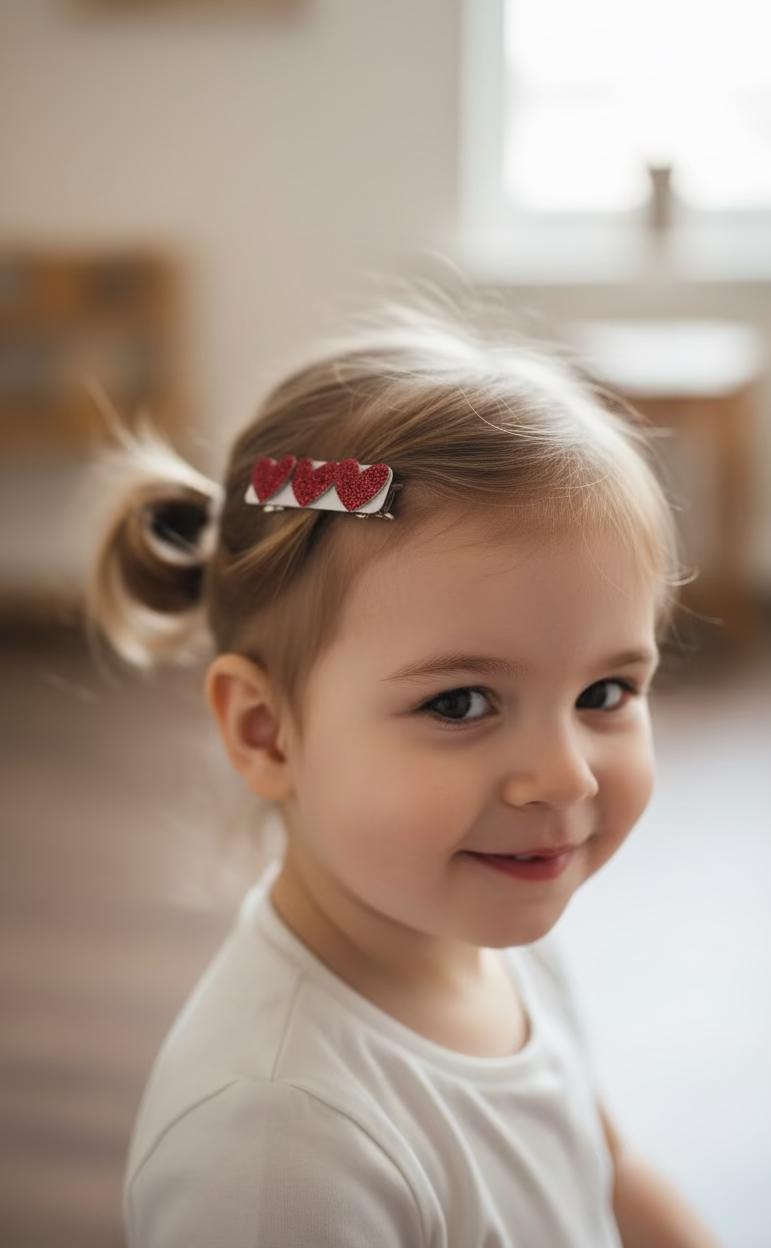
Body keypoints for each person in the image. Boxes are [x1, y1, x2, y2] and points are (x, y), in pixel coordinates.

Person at [89, 305, 723, 1247]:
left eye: (604, 691)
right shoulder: (275, 1150)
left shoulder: (497, 935)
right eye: (461, 703)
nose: (565, 779)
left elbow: (612, 1176)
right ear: (267, 733)